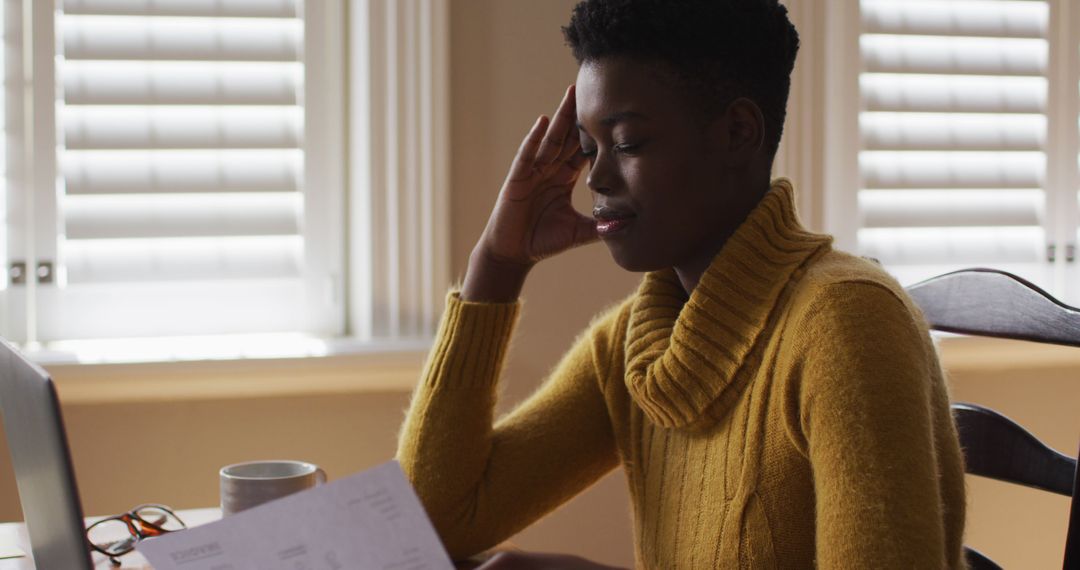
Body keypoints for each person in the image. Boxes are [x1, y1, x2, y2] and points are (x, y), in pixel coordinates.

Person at [397, 0, 967, 568]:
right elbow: (431, 521)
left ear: (738, 133)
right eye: (588, 148)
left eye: (625, 144)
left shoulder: (847, 322)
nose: (594, 177)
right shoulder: (635, 348)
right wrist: (497, 262)